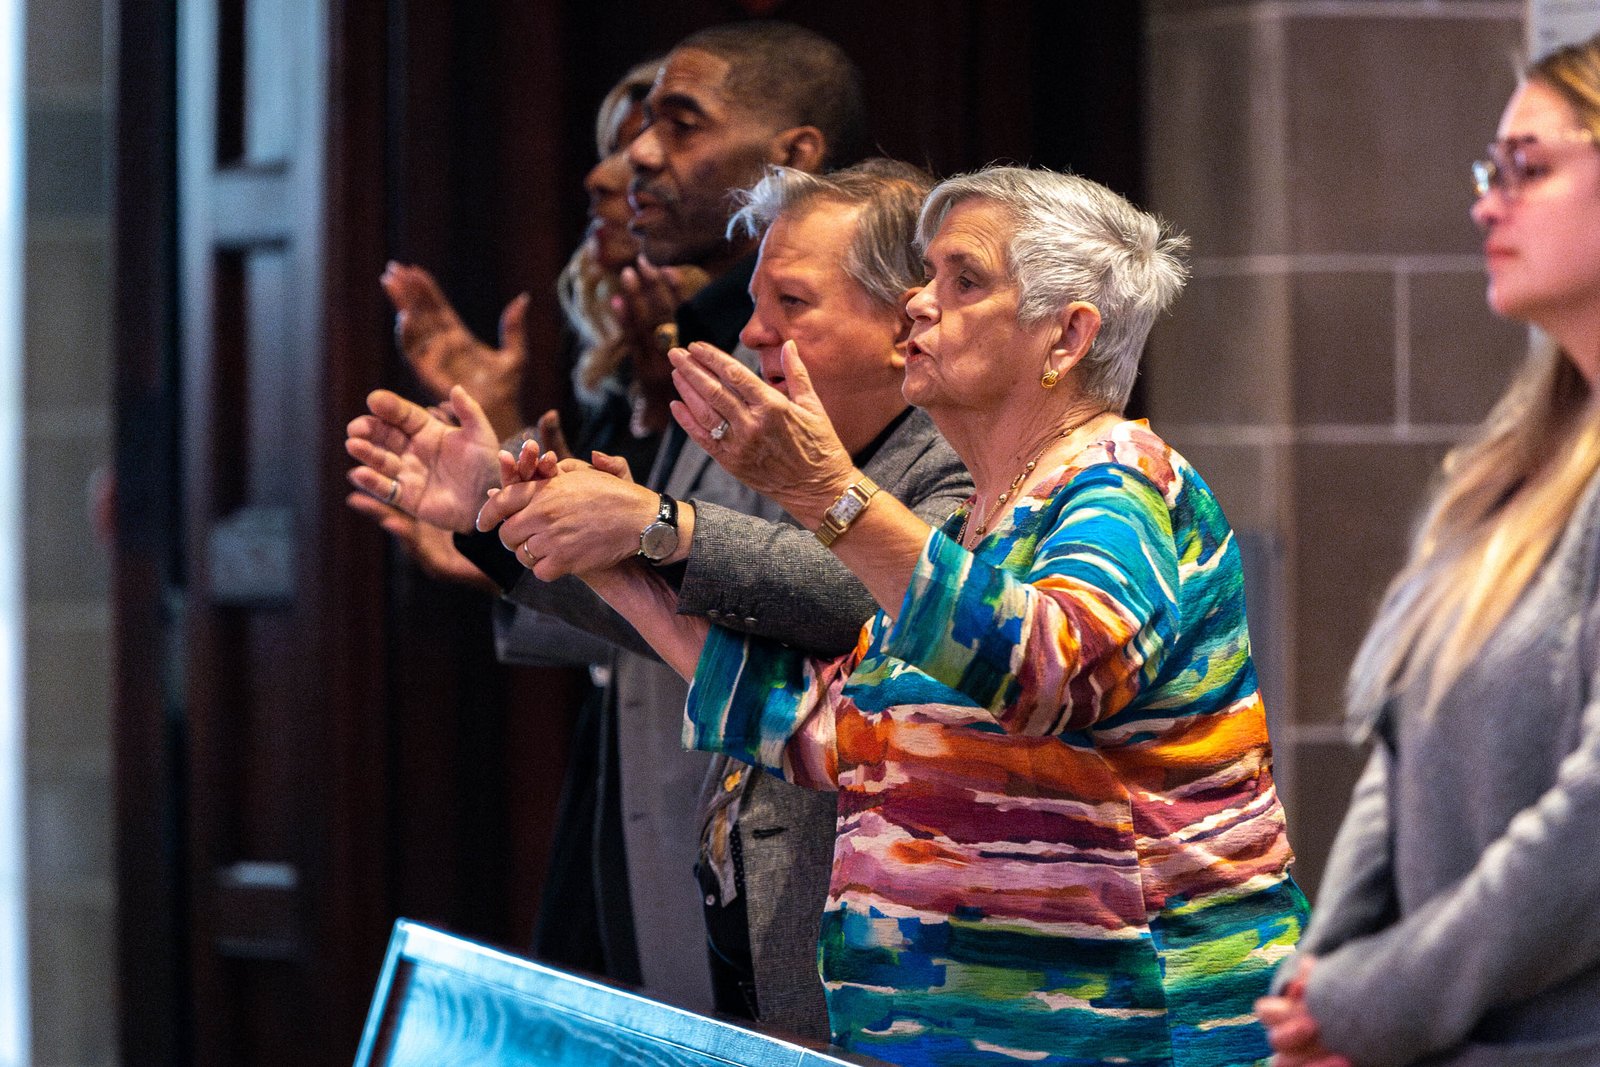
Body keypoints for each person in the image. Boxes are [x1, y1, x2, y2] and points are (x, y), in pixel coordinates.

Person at [561, 165, 1308, 1066]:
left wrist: (829, 492)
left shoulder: (1121, 480)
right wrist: (622, 578)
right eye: (926, 275)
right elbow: (837, 737)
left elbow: (1049, 669)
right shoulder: (967, 528)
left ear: (1067, 336)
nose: (919, 302)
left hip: (1137, 1034)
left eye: (965, 280)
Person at [353, 24, 884, 1033]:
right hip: (679, 825)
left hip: (814, 874)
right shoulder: (699, 356)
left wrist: (656, 522)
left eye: (676, 127)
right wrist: (495, 518)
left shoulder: (863, 397)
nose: (630, 161)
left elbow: (854, 591)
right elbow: (657, 603)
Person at [1257, 35, 1600, 1067]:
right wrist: (1325, 973)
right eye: (1484, 172)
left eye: (1526, 169)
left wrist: (1380, 996)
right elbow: (1400, 738)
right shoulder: (1508, 467)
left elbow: (1591, 826)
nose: (1485, 203)